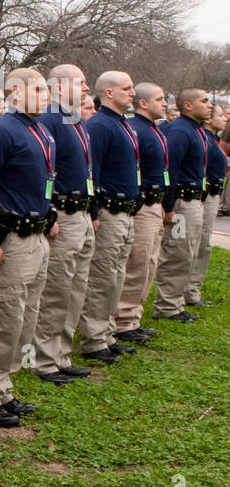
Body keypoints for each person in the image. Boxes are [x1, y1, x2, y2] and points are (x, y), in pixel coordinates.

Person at [0, 68, 56, 428]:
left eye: (46, 89)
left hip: (36, 237)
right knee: (3, 320)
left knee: (24, 319)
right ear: (15, 93)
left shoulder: (40, 130)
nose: (46, 94)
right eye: (37, 89)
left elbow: (45, 182)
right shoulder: (1, 130)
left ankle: (3, 388)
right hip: (10, 240)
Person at [29, 65, 96, 384]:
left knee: (75, 287)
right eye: (80, 82)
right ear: (60, 86)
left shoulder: (74, 120)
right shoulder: (50, 119)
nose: (86, 88)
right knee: (57, 288)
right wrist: (50, 211)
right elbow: (43, 170)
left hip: (81, 213)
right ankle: (44, 358)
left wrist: (92, 210)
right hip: (63, 215)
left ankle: (61, 353)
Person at [77, 71, 140, 363]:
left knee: (116, 275)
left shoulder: (122, 123)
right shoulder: (101, 125)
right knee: (102, 277)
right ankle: (93, 339)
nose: (133, 93)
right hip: (109, 210)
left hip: (126, 211)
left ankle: (107, 332)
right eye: (127, 88)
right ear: (109, 93)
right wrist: (94, 209)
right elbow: (93, 170)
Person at [113, 83, 171, 343]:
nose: (165, 104)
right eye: (160, 99)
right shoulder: (136, 129)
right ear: (144, 104)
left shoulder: (154, 130)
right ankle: (123, 321)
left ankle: (133, 316)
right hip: (143, 204)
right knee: (137, 263)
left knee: (149, 262)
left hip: (155, 204)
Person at [153, 89, 214, 323]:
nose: (209, 106)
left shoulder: (195, 129)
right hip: (181, 203)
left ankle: (176, 301)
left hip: (194, 201)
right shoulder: (180, 131)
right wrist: (169, 207)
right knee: (178, 252)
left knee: (188, 252)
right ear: (188, 105)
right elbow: (172, 169)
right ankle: (167, 305)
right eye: (204, 101)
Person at [186, 104, 227, 307]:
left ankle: (193, 288)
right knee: (198, 243)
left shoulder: (213, 139)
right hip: (206, 194)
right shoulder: (204, 138)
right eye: (220, 115)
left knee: (203, 244)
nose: (225, 118)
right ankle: (189, 290)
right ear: (209, 119)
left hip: (213, 192)